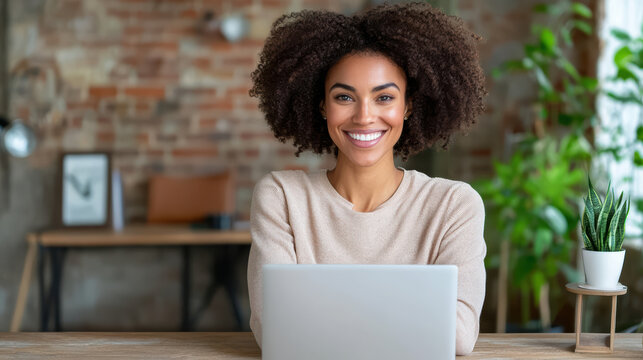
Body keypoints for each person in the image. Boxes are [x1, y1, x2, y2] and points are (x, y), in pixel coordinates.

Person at [247, 2, 487, 356]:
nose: (364, 116)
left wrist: (321, 313)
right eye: (344, 97)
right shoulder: (282, 197)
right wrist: (407, 315)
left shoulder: (453, 205)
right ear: (322, 106)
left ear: (407, 106)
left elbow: (458, 336)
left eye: (384, 97)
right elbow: (276, 329)